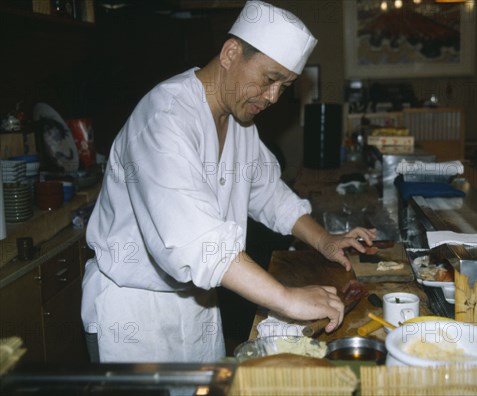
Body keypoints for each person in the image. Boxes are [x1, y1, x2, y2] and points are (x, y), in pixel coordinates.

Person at [81, 0, 376, 363]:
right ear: (231, 52)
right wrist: (286, 298)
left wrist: (324, 240)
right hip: (135, 317)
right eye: (270, 79)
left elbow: (268, 193)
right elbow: (195, 240)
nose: (272, 98)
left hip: (199, 309)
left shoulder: (240, 123)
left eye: (284, 86)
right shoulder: (165, 118)